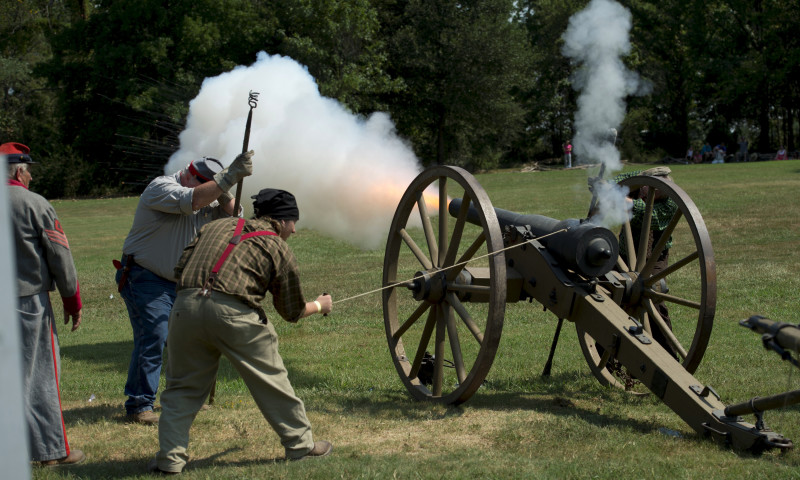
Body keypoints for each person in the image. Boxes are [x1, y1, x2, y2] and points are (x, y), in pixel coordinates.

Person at [149, 188, 333, 474]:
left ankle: (169, 460)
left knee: (181, 388)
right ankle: (300, 445)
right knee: (271, 380)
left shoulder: (214, 226)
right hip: (233, 312)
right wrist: (320, 305)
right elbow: (291, 311)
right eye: (293, 221)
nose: (295, 230)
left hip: (184, 307)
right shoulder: (277, 246)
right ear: (281, 221)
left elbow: (180, 267)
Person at [116, 151, 253, 424]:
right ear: (189, 174)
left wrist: (225, 192)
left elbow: (237, 220)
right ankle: (140, 405)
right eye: (205, 184)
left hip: (180, 282)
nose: (210, 194)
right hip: (145, 277)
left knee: (187, 341)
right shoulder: (161, 187)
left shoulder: (206, 195)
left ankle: (184, 398)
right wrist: (226, 179)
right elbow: (193, 200)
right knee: (153, 336)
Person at [3, 142, 85, 466]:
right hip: (26, 302)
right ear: (19, 172)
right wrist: (72, 300)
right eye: (29, 170)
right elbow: (60, 256)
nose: (32, 176)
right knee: (39, 376)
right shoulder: (34, 203)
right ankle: (50, 451)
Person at [613, 166, 678, 357]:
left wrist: (625, 201)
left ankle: (668, 357)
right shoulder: (640, 183)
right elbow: (622, 179)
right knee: (612, 297)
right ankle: (610, 357)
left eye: (661, 188)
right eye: (651, 187)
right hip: (625, 255)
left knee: (653, 299)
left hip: (654, 258)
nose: (659, 190)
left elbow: (648, 215)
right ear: (643, 186)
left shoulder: (671, 203)